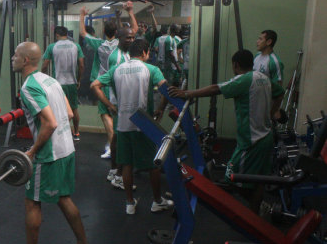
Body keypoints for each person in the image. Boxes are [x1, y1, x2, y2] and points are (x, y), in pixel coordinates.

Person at [168, 49, 284, 213]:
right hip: (266, 136)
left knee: (232, 179)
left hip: (251, 142)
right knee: (258, 180)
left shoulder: (244, 80)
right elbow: (280, 93)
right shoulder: (263, 78)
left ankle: (253, 209)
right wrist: (272, 114)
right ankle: (255, 215)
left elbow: (216, 89)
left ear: (235, 65)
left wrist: (186, 93)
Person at [8, 41, 92, 244]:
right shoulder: (51, 80)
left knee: (32, 201)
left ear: (26, 60)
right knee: (64, 198)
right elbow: (69, 114)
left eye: (15, 55)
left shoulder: (29, 87)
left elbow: (50, 123)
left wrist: (32, 152)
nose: (12, 58)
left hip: (48, 154)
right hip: (67, 149)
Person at [91, 39, 173, 215]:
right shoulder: (151, 69)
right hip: (143, 124)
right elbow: (166, 89)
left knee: (126, 164)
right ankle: (157, 201)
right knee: (154, 165)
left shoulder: (117, 69)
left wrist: (110, 106)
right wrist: (161, 108)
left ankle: (129, 203)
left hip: (122, 124)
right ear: (144, 53)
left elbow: (95, 85)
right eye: (148, 53)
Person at [79, 1, 138, 159]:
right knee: (120, 115)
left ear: (104, 31)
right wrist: (130, 12)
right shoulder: (122, 44)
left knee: (106, 115)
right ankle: (118, 146)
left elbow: (83, 33)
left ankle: (114, 148)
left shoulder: (100, 44)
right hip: (121, 83)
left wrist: (82, 16)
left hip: (104, 84)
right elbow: (135, 30)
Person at [105, 25, 137, 190]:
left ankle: (113, 171)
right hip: (119, 104)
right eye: (128, 38)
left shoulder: (126, 53)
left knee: (119, 139)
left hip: (124, 102)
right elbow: (114, 81)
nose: (131, 40)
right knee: (119, 140)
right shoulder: (116, 57)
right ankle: (117, 175)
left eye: (132, 38)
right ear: (119, 38)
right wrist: (114, 105)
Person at [41, 26, 85, 141]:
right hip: (72, 83)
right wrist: (79, 80)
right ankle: (76, 133)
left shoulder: (52, 47)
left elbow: (45, 66)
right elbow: (81, 65)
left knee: (58, 109)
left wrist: (43, 79)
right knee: (74, 108)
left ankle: (61, 134)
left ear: (56, 35)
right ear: (67, 34)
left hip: (58, 83)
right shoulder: (76, 46)